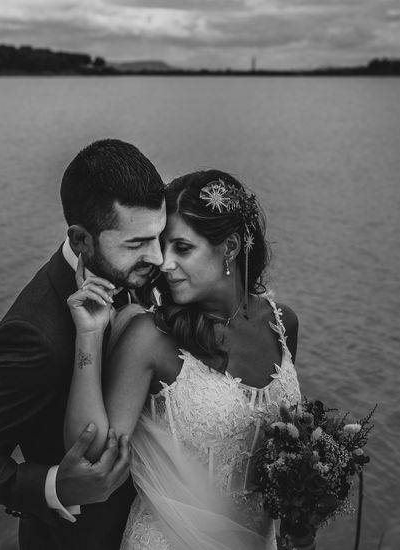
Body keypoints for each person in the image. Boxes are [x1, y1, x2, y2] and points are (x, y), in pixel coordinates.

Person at [0, 138, 167, 550]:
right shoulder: (33, 334)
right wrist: (55, 486)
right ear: (81, 241)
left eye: (159, 235)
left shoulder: (144, 268)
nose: (159, 258)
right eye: (136, 244)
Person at [64, 170, 303, 549]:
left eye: (182, 248)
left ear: (230, 247)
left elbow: (289, 442)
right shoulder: (151, 338)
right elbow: (92, 454)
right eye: (162, 246)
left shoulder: (281, 323)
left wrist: (307, 503)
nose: (164, 263)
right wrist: (89, 337)